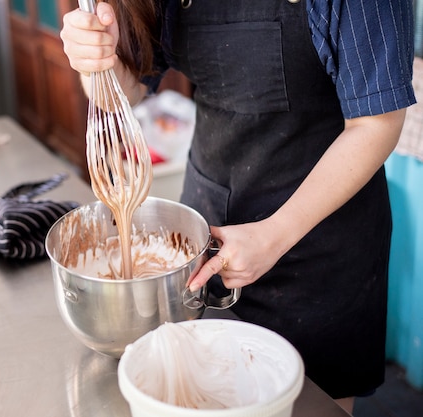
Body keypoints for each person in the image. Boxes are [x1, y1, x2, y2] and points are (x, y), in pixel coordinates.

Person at [60, 0, 416, 413]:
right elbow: (132, 85)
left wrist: (275, 233)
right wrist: (96, 64)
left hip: (318, 251)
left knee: (310, 404)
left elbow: (377, 123)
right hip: (205, 235)